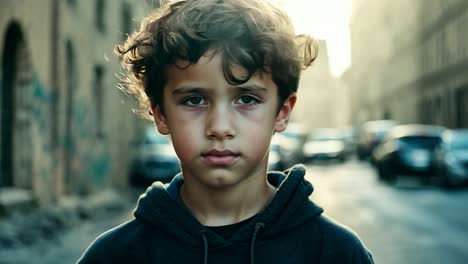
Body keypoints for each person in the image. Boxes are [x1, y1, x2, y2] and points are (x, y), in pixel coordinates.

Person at [78, 0, 374, 263]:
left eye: (247, 99)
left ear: (281, 113)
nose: (219, 127)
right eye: (194, 100)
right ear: (161, 114)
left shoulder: (336, 252)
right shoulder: (116, 255)